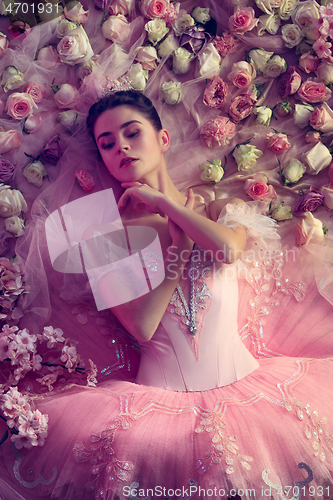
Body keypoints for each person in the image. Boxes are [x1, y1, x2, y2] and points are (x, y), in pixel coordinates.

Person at [1, 90, 333, 500]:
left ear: (162, 139)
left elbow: (227, 250)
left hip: (253, 392)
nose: (120, 146)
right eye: (107, 144)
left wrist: (166, 206)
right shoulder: (103, 235)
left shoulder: (216, 208)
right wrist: (178, 249)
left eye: (131, 133)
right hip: (159, 413)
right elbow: (142, 326)